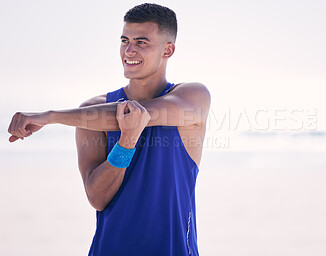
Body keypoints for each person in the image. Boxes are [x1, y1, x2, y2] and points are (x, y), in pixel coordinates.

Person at [7, 3, 210, 256]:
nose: (129, 50)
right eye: (125, 40)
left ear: (167, 50)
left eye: (141, 42)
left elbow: (137, 114)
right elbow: (98, 197)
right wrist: (125, 143)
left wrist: (51, 116)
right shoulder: (89, 111)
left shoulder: (193, 97)